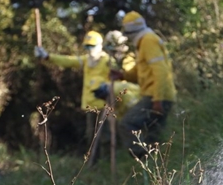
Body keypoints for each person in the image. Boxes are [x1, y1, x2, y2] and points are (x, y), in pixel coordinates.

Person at [110, 12, 177, 158]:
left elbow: (160, 72)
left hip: (156, 96)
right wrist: (122, 75)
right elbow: (140, 72)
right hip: (159, 95)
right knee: (154, 136)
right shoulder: (144, 42)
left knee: (127, 124)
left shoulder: (148, 41)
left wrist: (157, 99)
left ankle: (142, 159)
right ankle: (156, 165)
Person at [34, 31, 112, 154]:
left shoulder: (107, 61)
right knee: (91, 136)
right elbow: (68, 61)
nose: (89, 49)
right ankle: (94, 165)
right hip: (90, 105)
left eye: (92, 46)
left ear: (100, 45)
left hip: (105, 104)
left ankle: (107, 163)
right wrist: (47, 57)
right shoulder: (86, 60)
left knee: (106, 137)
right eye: (87, 47)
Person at [93, 30, 141, 119]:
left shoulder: (129, 59)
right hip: (117, 102)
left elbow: (131, 79)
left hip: (131, 99)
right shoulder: (108, 60)